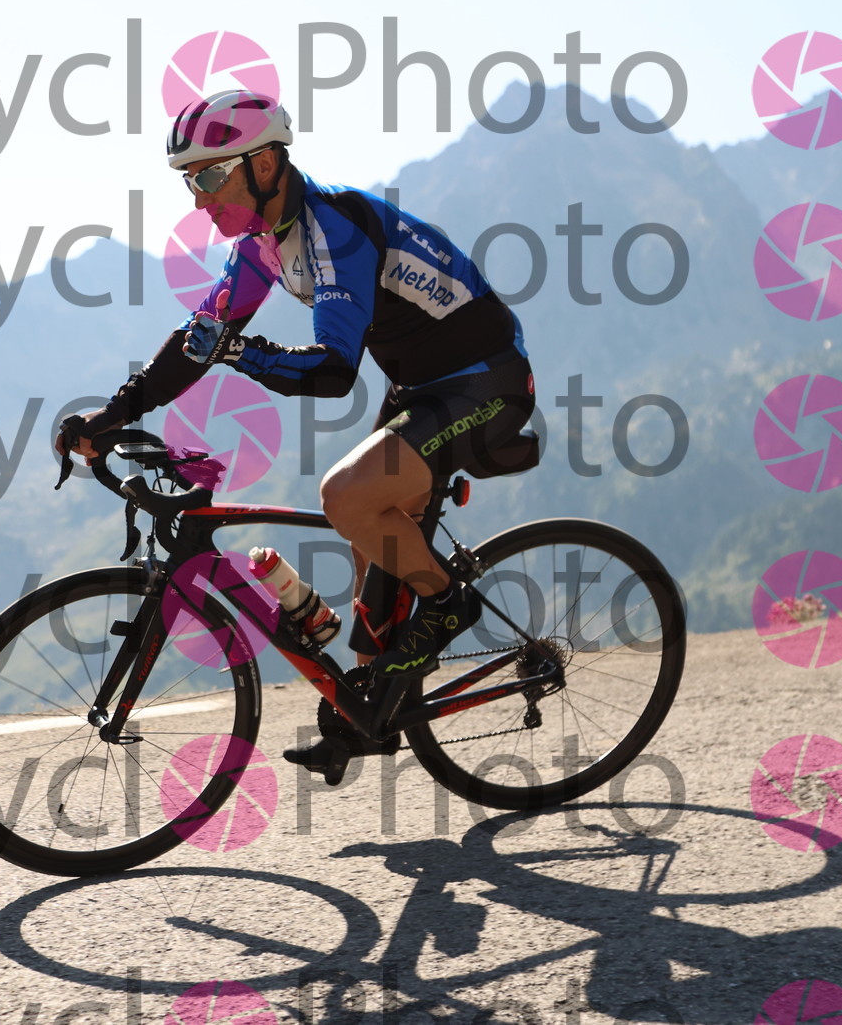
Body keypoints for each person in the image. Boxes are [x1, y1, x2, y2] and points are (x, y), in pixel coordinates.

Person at [58, 88, 534, 776]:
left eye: (210, 176)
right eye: (190, 181)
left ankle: (448, 603)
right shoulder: (262, 245)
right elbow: (199, 338)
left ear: (265, 164)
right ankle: (371, 714)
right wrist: (110, 416)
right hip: (423, 387)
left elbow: (333, 371)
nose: (199, 199)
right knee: (371, 552)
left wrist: (241, 351)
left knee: (346, 496)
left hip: (486, 380)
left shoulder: (335, 229)